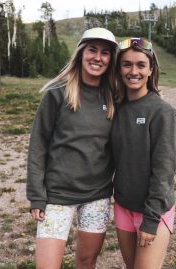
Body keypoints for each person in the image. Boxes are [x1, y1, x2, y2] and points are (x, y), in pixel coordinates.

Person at [26, 27, 117, 269]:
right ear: (81, 53)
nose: (98, 57)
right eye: (92, 50)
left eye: (105, 53)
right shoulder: (57, 93)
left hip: (97, 195)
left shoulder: (113, 97)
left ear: (111, 60)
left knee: (86, 262)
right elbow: (38, 145)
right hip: (57, 196)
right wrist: (36, 195)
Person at [111, 38, 176, 269]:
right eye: (127, 64)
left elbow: (164, 171)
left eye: (141, 65)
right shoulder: (116, 108)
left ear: (151, 70)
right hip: (123, 206)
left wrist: (151, 220)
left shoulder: (163, 113)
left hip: (152, 211)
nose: (134, 71)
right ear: (119, 69)